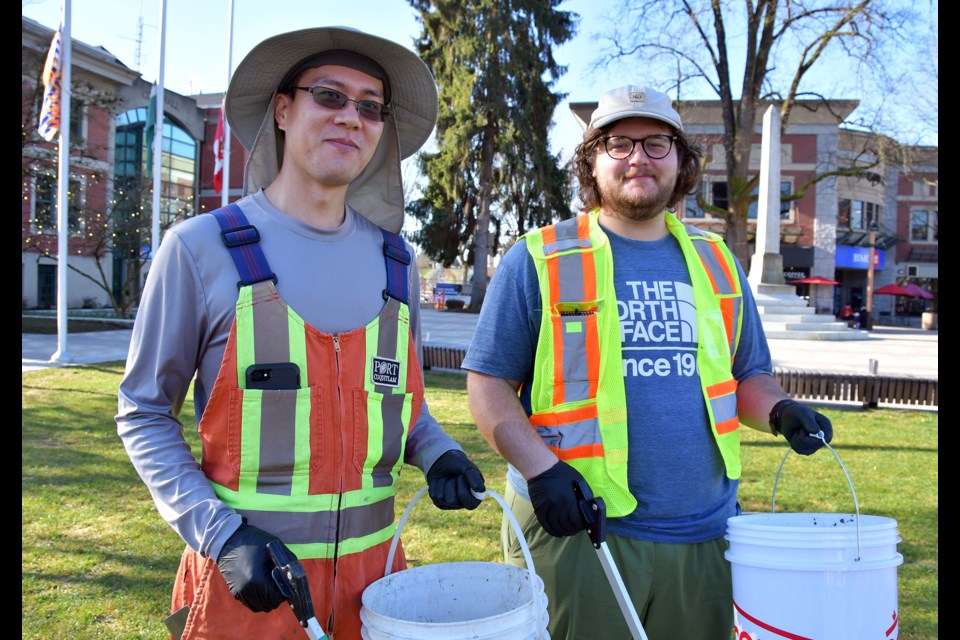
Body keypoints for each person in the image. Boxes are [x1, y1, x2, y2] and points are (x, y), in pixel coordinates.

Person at [116, 27, 486, 640]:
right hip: (249, 594)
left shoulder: (399, 263)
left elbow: (402, 404)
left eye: (370, 106)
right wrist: (221, 533)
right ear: (283, 110)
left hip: (377, 595)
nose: (352, 117)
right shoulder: (200, 249)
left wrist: (437, 449)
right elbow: (144, 413)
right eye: (330, 96)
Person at [462, 85, 834, 640]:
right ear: (592, 160)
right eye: (618, 142)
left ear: (681, 159)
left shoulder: (719, 263)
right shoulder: (538, 258)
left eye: (656, 142)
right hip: (580, 531)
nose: (638, 156)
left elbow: (745, 376)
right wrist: (542, 472)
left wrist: (780, 411)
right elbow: (487, 384)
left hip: (707, 535)